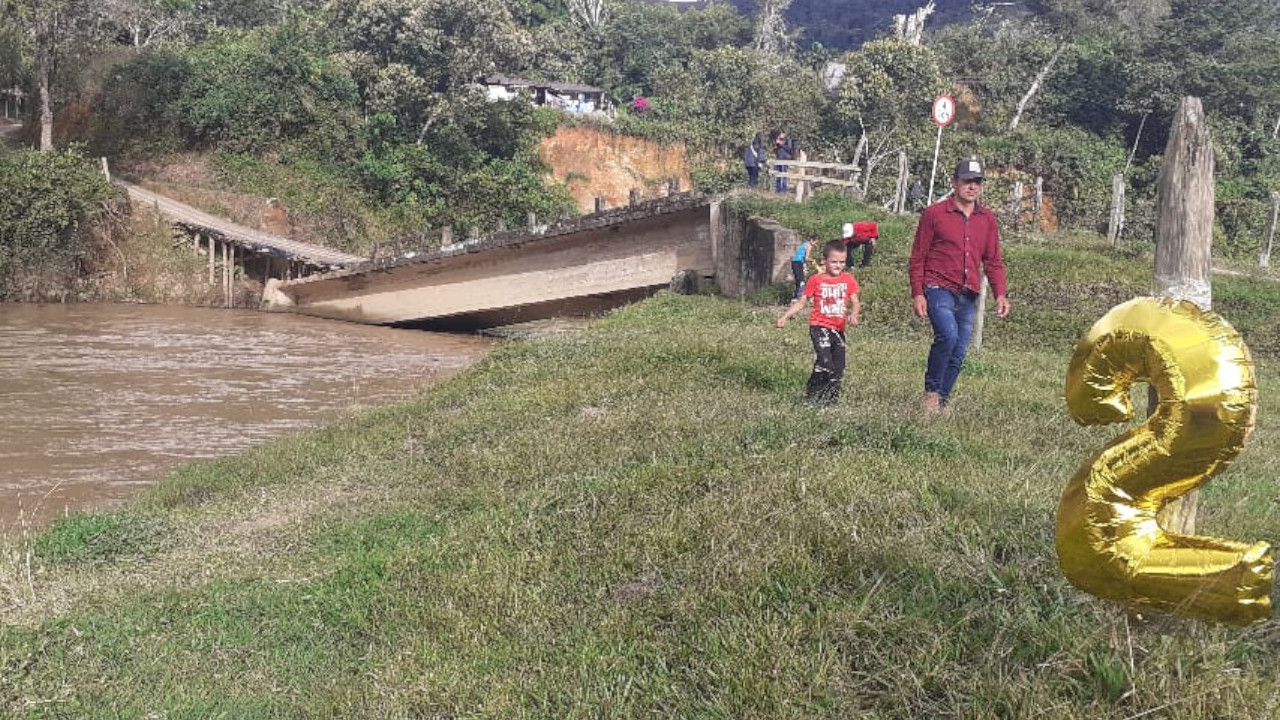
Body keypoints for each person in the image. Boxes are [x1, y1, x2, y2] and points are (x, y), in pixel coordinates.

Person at [909, 157, 1010, 415]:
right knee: (948, 335)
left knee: (959, 349)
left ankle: (942, 401)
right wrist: (918, 293)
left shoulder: (987, 219)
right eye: (967, 181)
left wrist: (1000, 294)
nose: (972, 187)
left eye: (976, 182)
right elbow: (918, 256)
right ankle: (931, 393)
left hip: (968, 293)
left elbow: (993, 260)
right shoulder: (934, 214)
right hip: (938, 286)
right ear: (955, 183)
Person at [776, 240, 861, 406]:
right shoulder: (816, 280)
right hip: (819, 326)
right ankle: (812, 393)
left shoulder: (848, 279)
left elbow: (855, 301)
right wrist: (785, 316)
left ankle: (831, 400)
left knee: (838, 367)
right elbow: (802, 302)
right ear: (824, 260)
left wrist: (854, 313)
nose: (838, 265)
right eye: (834, 262)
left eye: (842, 262)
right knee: (825, 362)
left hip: (838, 329)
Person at [789, 234, 818, 299]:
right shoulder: (809, 246)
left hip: (794, 262)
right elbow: (806, 258)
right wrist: (813, 260)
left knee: (798, 280)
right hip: (798, 263)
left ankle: (796, 297)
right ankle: (799, 297)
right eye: (815, 242)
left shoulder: (805, 244)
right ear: (811, 240)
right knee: (801, 281)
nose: (816, 244)